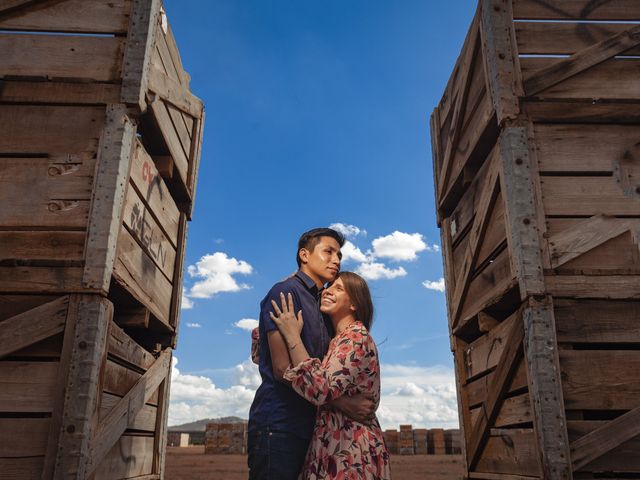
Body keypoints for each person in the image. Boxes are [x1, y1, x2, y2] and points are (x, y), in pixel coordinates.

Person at [248, 228, 376, 480]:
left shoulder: (323, 306)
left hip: (314, 431)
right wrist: (343, 403)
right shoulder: (284, 293)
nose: (336, 259)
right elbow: (282, 368)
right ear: (304, 255)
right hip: (280, 425)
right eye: (328, 252)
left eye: (339, 254)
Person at [270, 271, 391, 479]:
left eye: (338, 288)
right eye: (329, 286)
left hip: (351, 450)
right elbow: (263, 355)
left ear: (354, 304)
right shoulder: (333, 341)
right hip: (331, 444)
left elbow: (320, 389)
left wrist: (291, 335)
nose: (327, 291)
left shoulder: (356, 338)